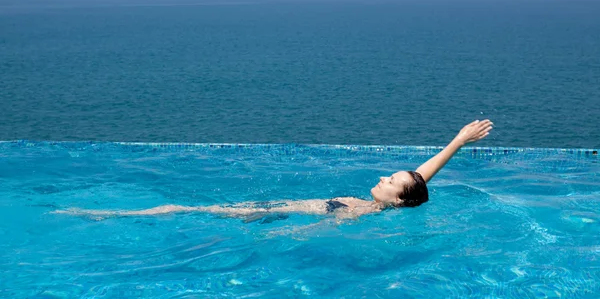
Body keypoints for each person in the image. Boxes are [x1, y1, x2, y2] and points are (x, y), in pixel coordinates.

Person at [56, 120, 493, 221]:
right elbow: (421, 177)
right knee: (192, 208)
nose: (384, 176)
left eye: (390, 182)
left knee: (185, 208)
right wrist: (456, 141)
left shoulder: (362, 212)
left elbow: (318, 229)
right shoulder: (395, 200)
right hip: (278, 209)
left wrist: (276, 231)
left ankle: (109, 215)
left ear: (397, 200)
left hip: (276, 215)